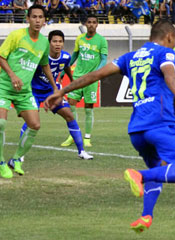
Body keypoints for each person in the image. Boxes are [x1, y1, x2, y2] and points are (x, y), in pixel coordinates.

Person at [44, 20, 175, 233]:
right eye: (174, 40)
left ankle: (146, 216)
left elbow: (95, 75)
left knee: (159, 168)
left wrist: (61, 91)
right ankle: (139, 175)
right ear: (169, 37)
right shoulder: (166, 54)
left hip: (137, 131)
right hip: (160, 125)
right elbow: (170, 77)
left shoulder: (130, 57)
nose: (174, 45)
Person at [16, 30, 93, 163]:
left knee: (69, 115)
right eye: (54, 41)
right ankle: (21, 154)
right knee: (31, 122)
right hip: (33, 91)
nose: (57, 44)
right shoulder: (40, 56)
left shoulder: (65, 57)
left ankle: (82, 151)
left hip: (52, 92)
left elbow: (67, 68)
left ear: (63, 43)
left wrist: (73, 83)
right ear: (49, 43)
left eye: (60, 41)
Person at [0, 5, 55, 178]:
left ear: (44, 21)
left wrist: (55, 88)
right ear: (28, 19)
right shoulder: (16, 35)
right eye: (34, 17)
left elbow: (45, 65)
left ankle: (15, 159)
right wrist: (12, 75)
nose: (38, 20)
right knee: (0, 124)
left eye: (41, 17)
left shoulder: (44, 43)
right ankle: (1, 162)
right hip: (4, 86)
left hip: (24, 92)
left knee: (35, 125)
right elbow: (1, 56)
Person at [61, 14, 108, 148]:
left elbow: (104, 59)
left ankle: (87, 137)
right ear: (85, 24)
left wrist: (96, 73)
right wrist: (65, 70)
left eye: (94, 22)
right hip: (77, 77)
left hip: (91, 79)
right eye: (89, 22)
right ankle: (72, 135)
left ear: (97, 24)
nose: (91, 24)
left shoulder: (102, 40)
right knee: (71, 105)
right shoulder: (80, 38)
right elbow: (75, 56)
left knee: (88, 108)